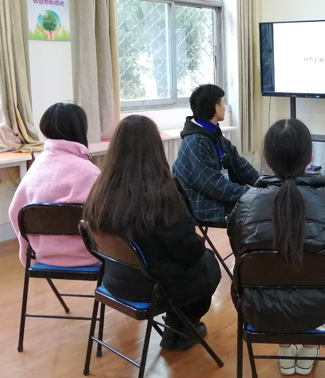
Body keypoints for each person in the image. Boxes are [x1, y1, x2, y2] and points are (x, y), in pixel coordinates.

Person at [228, 119, 325, 374]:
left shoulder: (246, 203)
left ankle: (285, 348)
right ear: (310, 157)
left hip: (261, 310)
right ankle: (308, 348)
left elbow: (240, 251)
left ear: (267, 157)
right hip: (324, 311)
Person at [83, 115, 221, 351]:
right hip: (152, 288)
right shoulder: (162, 193)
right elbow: (188, 249)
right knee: (207, 262)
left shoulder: (101, 189)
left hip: (113, 280)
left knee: (178, 263)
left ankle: (178, 327)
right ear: (155, 149)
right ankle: (183, 327)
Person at [9, 102, 99, 267]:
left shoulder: (36, 168)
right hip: (90, 255)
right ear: (81, 128)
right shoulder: (89, 172)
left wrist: (28, 248)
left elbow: (15, 211)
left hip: (43, 256)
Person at [173, 84, 259, 223]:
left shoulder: (213, 133)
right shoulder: (195, 143)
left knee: (263, 204)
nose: (224, 108)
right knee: (259, 210)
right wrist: (253, 193)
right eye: (222, 104)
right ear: (216, 107)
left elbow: (240, 165)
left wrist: (264, 184)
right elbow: (214, 185)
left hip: (216, 197)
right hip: (204, 206)